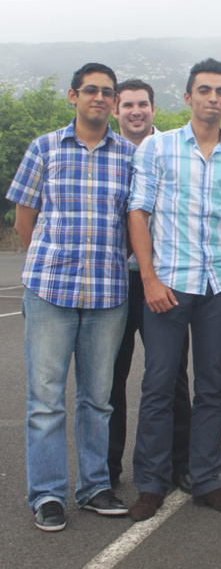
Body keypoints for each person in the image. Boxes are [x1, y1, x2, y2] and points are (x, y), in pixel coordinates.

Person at [127, 58, 221, 521]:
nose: (213, 99)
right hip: (168, 285)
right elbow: (139, 212)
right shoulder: (157, 150)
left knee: (212, 387)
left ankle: (206, 480)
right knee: (158, 384)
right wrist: (149, 278)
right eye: (204, 91)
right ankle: (151, 483)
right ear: (188, 97)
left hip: (220, 284)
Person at [7, 63, 134, 531]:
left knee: (98, 399)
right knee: (45, 400)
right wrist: (48, 260)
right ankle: (47, 494)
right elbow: (25, 216)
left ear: (115, 102)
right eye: (91, 91)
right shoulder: (44, 148)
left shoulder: (128, 156)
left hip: (108, 294)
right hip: (50, 292)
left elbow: (133, 222)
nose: (99, 98)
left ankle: (95, 486)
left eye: (107, 92)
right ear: (73, 96)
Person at [108, 79, 193, 493]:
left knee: (172, 377)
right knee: (110, 378)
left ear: (155, 109)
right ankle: (106, 470)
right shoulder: (107, 153)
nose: (136, 111)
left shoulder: (174, 148)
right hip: (116, 281)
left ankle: (182, 465)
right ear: (115, 110)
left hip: (167, 279)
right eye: (127, 105)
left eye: (143, 104)